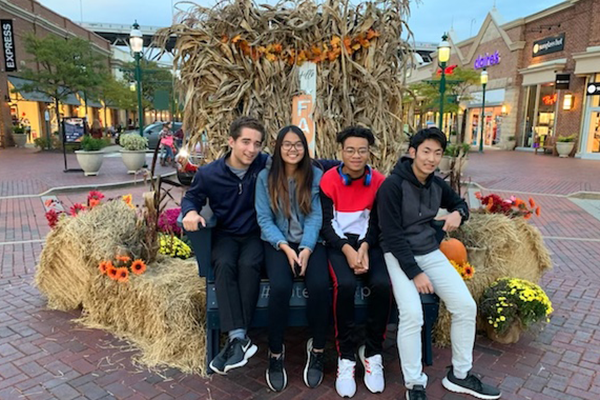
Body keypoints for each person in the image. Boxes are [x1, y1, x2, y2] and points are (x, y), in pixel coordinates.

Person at [377, 128, 501, 400]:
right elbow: (392, 235)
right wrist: (415, 273)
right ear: (412, 153)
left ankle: (460, 375)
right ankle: (414, 383)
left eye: (437, 153)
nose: (431, 159)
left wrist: (458, 213)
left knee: (466, 306)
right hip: (398, 255)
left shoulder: (436, 184)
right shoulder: (392, 186)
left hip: (429, 251)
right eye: (426, 151)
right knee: (411, 314)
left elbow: (460, 203)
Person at [182, 116, 268, 375]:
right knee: (224, 263)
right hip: (226, 234)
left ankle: (237, 340)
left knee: (249, 263)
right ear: (231, 141)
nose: (251, 149)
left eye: (257, 143)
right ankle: (239, 338)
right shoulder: (210, 173)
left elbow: (300, 165)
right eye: (245, 142)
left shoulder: (264, 165)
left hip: (255, 233)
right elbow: (193, 196)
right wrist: (191, 213)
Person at [255, 125, 329, 392]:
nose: (293, 149)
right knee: (281, 287)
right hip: (277, 243)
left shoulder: (315, 175)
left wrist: (307, 249)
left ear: (304, 148)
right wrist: (286, 248)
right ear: (278, 147)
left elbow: (315, 216)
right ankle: (275, 353)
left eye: (298, 144)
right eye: (287, 144)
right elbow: (264, 219)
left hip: (310, 243)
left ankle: (317, 348)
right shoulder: (265, 177)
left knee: (320, 285)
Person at [320, 126, 390, 398]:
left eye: (362, 150)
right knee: (345, 285)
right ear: (341, 152)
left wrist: (363, 247)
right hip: (338, 244)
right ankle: (346, 357)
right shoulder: (329, 180)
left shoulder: (379, 182)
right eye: (350, 150)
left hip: (368, 243)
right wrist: (348, 250)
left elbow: (376, 223)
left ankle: (372, 353)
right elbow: (327, 224)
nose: (356, 155)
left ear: (369, 151)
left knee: (383, 284)